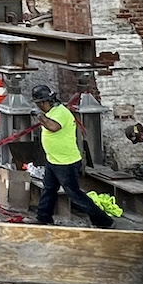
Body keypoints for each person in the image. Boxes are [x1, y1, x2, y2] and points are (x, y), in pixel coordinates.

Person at [31, 84, 112, 228]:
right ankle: (43, 218)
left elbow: (53, 127)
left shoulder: (60, 112)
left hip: (66, 162)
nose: (38, 107)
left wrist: (39, 117)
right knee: (49, 189)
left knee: (74, 194)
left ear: (44, 102)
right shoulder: (52, 112)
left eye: (39, 104)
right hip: (53, 160)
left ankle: (104, 221)